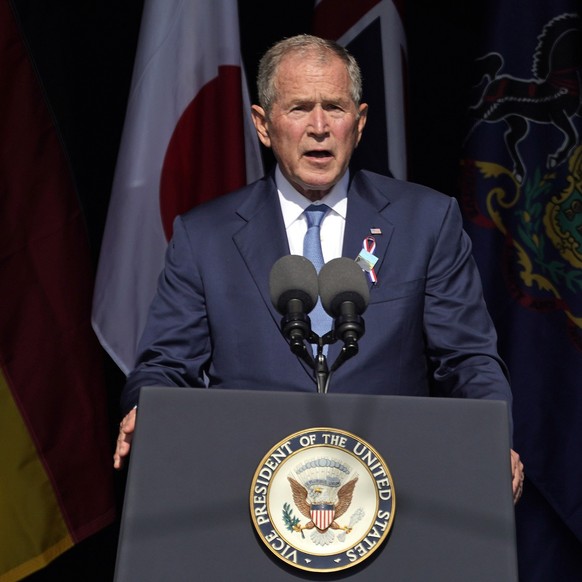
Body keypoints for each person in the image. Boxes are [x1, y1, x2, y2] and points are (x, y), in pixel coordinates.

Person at [114, 34, 524, 502]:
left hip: (395, 489)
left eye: (334, 107)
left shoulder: (426, 222)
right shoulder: (204, 236)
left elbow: (469, 360)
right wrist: (147, 408)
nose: (319, 126)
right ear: (263, 125)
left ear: (360, 121)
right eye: (298, 108)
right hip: (246, 491)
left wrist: (492, 436)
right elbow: (164, 366)